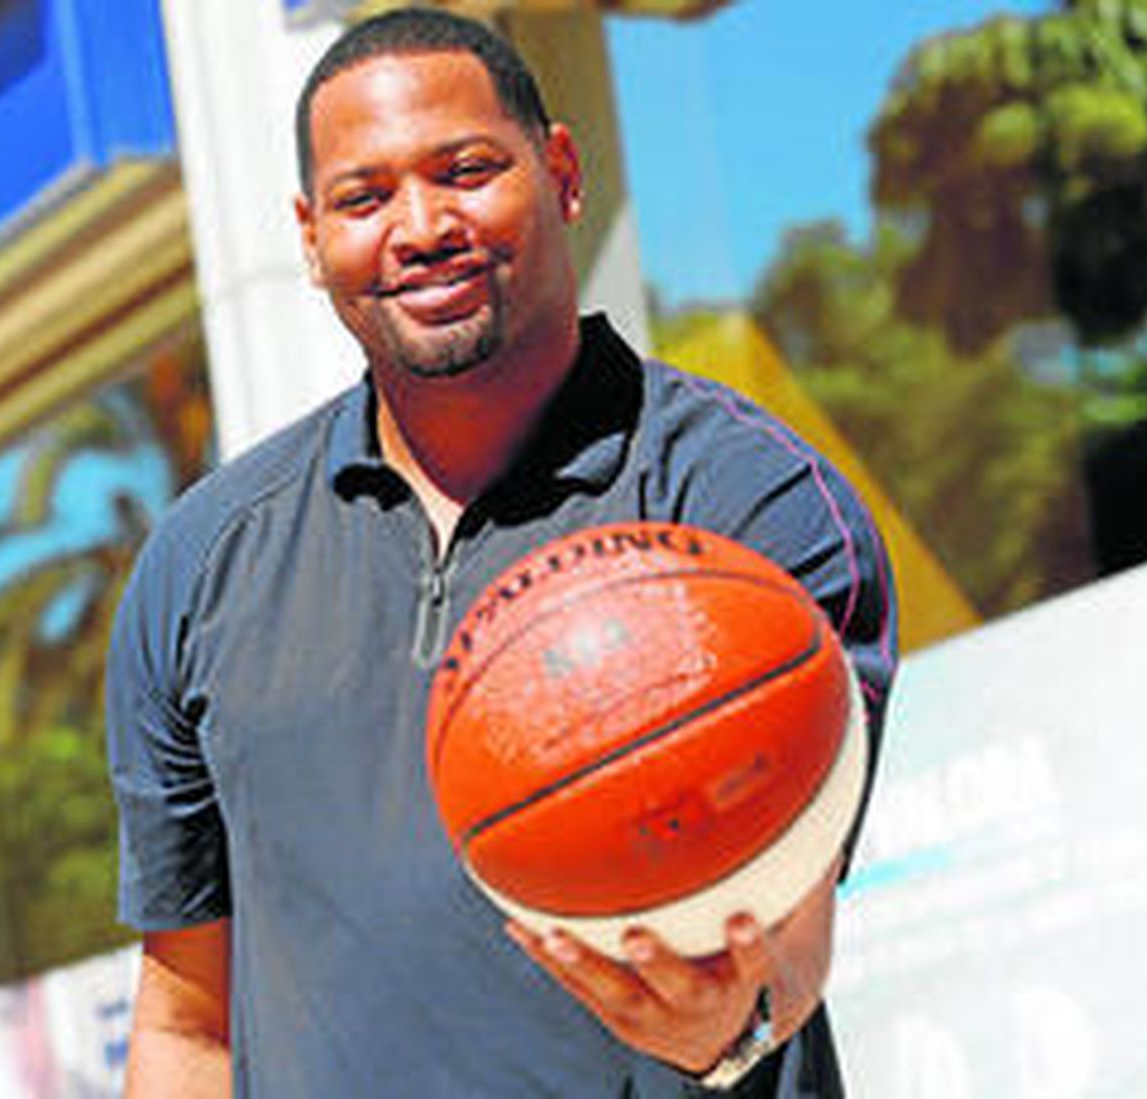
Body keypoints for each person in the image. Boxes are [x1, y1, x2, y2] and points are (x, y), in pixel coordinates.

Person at [106, 8, 896, 1096]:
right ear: (309, 235)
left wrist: (735, 1020)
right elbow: (189, 1023)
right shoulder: (198, 568)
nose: (421, 224)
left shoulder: (746, 501)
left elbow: (792, 925)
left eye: (466, 169)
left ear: (561, 171)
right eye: (363, 196)